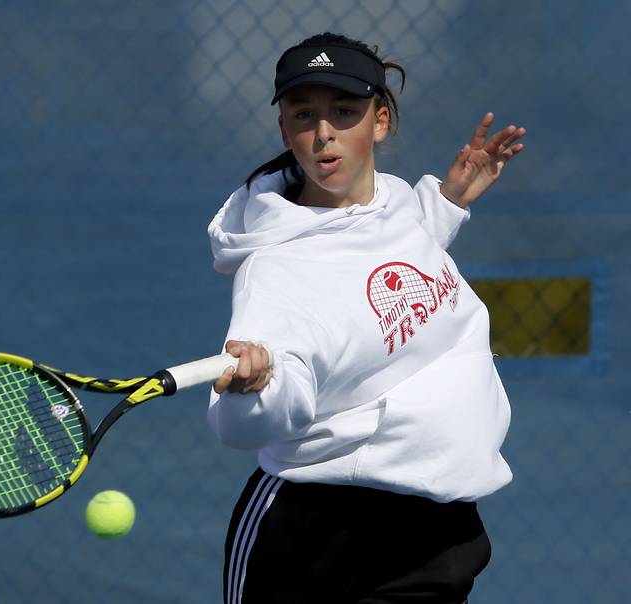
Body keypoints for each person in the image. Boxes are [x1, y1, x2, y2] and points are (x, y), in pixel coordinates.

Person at [206, 32, 525, 604]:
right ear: (285, 131)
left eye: (344, 112)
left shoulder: (396, 204)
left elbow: (380, 267)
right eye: (304, 115)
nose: (324, 133)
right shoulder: (276, 268)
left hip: (440, 530)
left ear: (381, 121)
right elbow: (247, 423)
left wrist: (448, 203)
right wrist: (254, 389)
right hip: (322, 534)